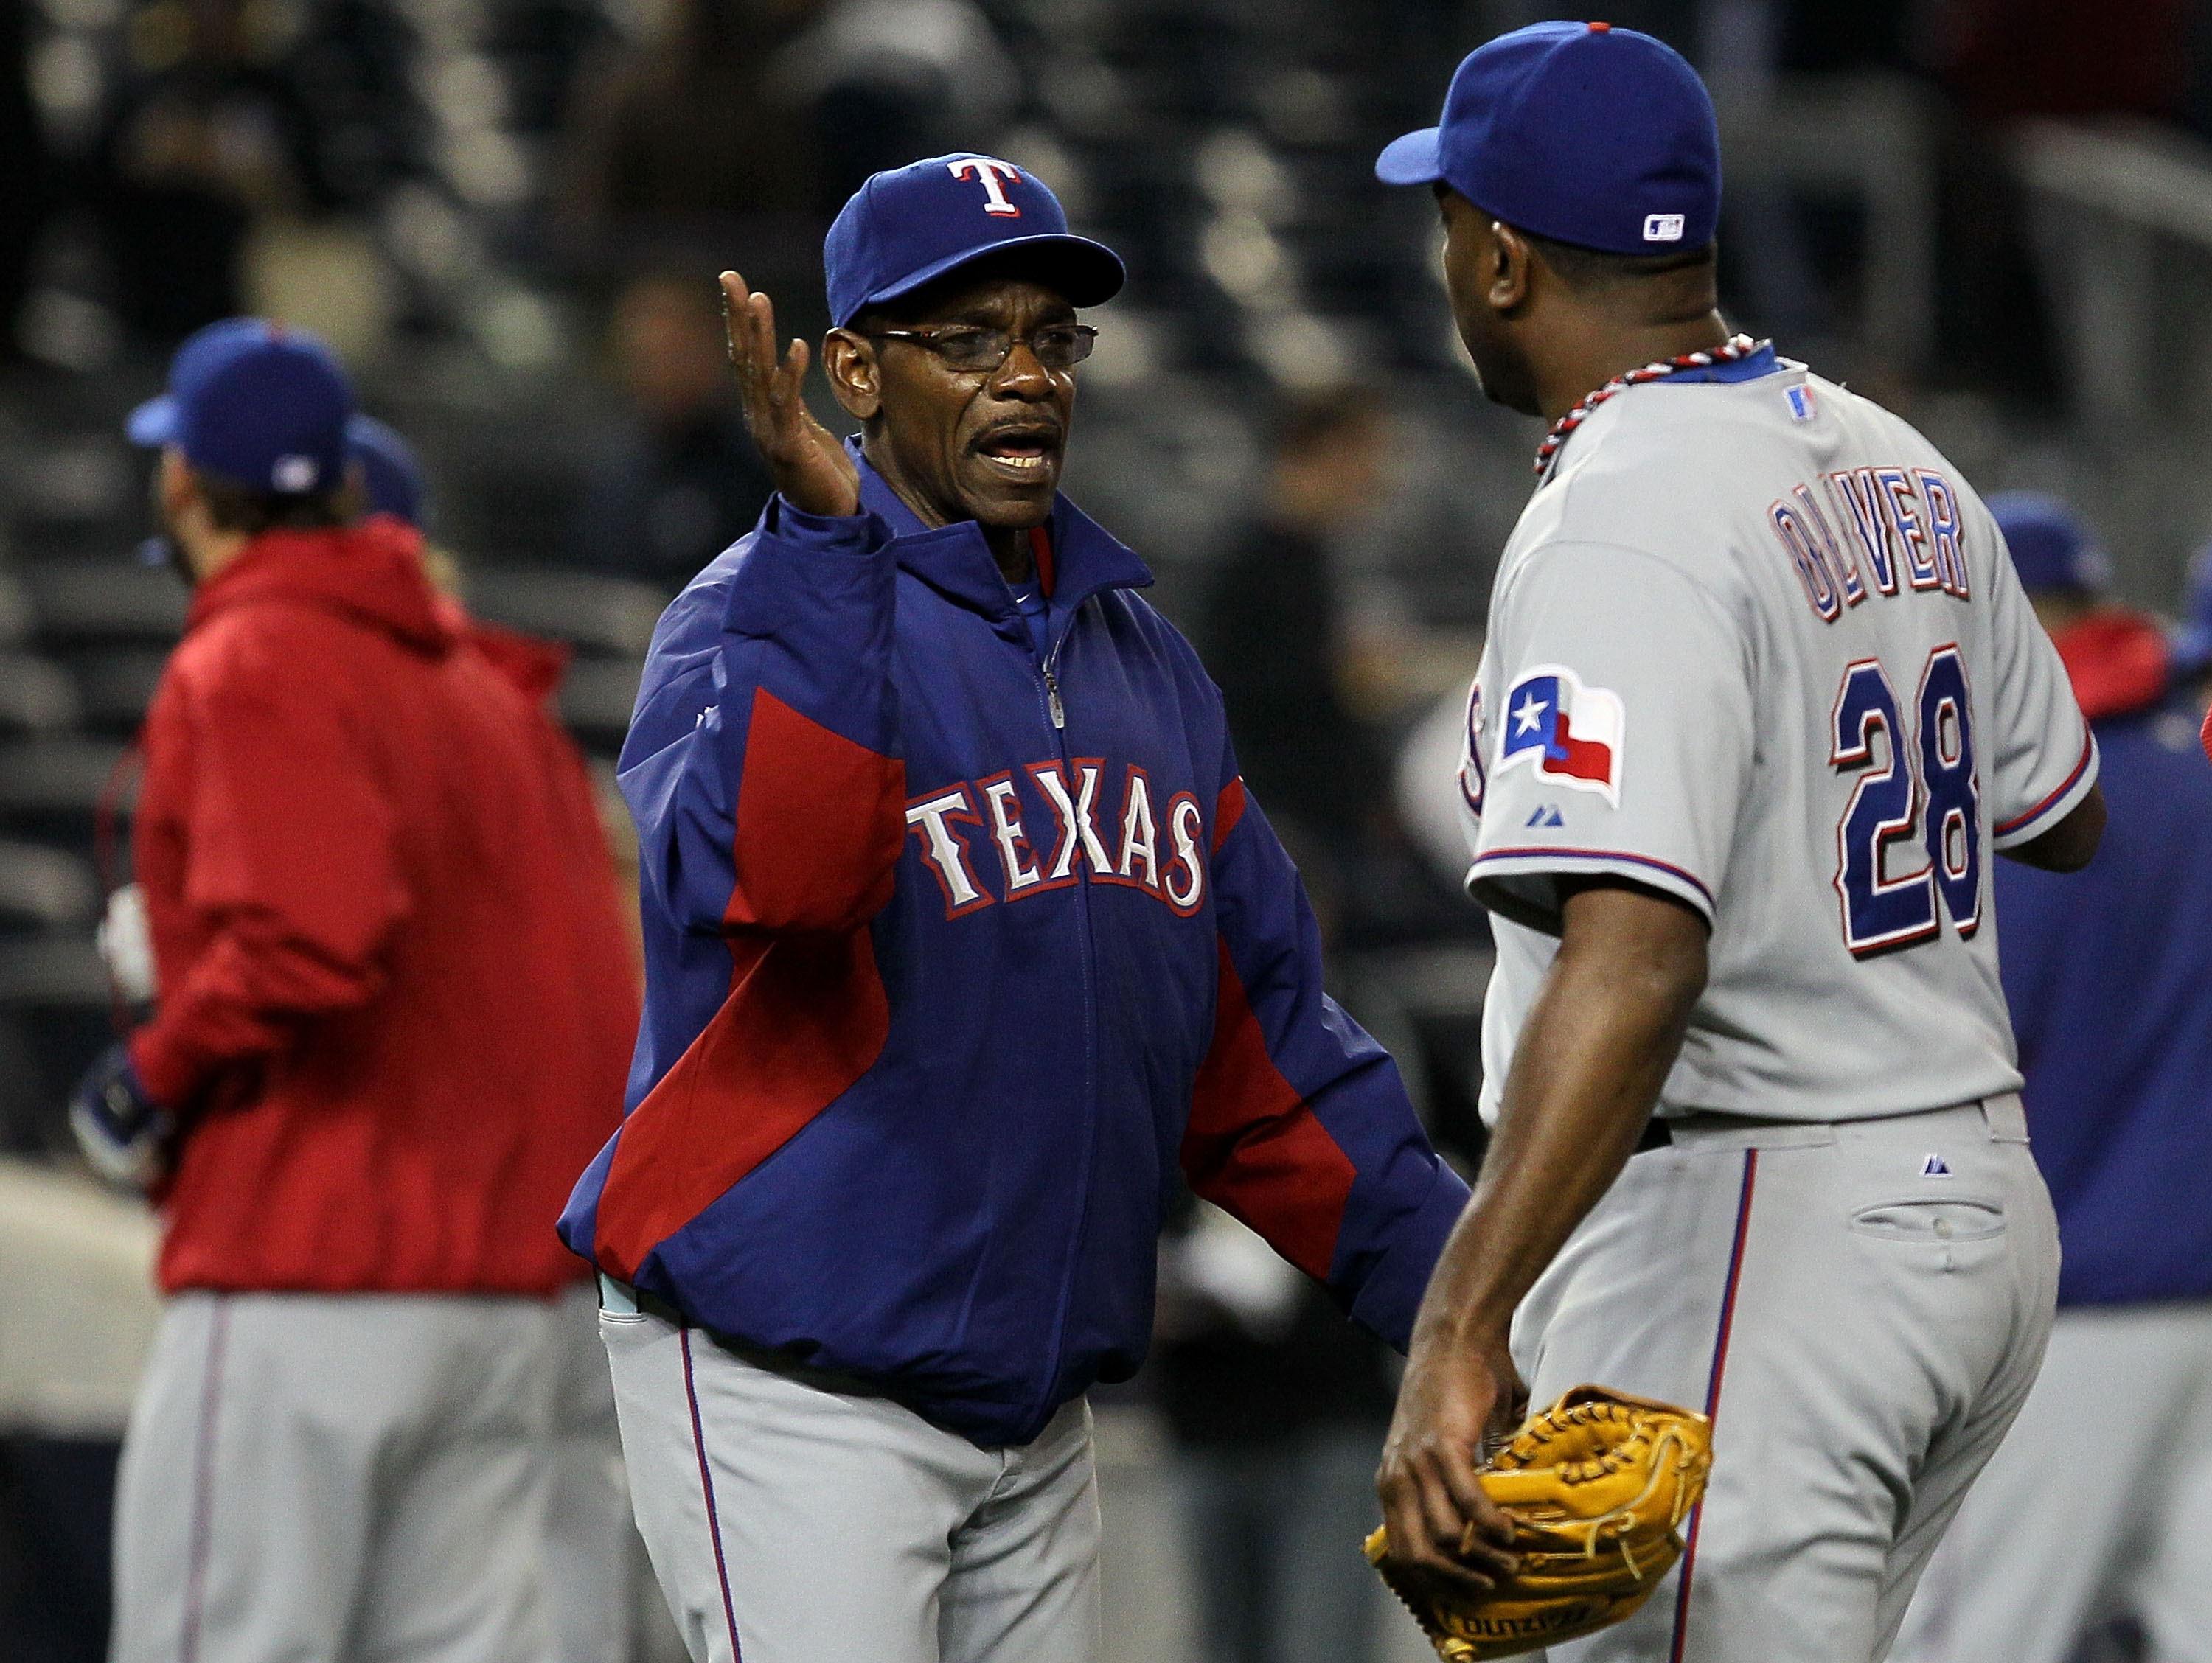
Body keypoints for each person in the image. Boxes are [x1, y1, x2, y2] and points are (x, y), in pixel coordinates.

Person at [555, 153, 1472, 1663]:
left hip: (1036, 1409)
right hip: (793, 1380)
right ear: (852, 368)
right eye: (969, 339)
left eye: (1053, 335)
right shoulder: (745, 621)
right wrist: (827, 555)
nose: (1027, 375)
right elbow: (788, 885)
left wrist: (1470, 1296)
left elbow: (1266, 1061)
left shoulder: (1148, 668)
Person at [1368, 24, 2105, 1663]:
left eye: (1449, 225)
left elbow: (1636, 959)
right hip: (1967, 1215)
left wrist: (1457, 1324)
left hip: (1763, 1230)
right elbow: (2064, 810)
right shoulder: (1889, 458)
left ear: (1498, 262)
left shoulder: (1624, 510)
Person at [69, 318, 640, 1663]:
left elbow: (308, 940)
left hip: (308, 1266)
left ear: (183, 485)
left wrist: (146, 1080)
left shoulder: (258, 653)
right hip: (508, 1288)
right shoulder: (491, 702)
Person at [1888, 496, 2212, 1663]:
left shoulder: (2017, 809)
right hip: (2193, 1300)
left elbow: (1943, 1061)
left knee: (1974, 1640)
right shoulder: (2194, 775)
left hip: (2084, 1306)